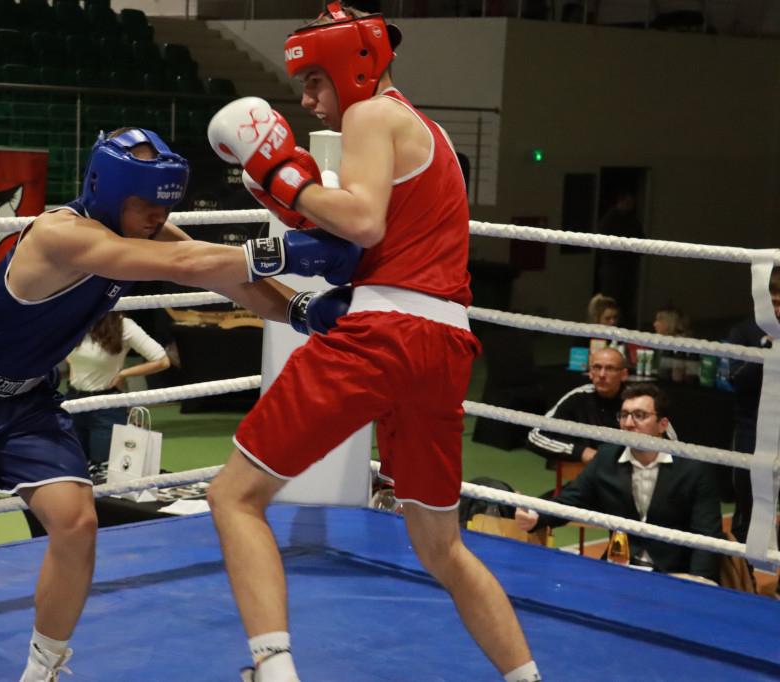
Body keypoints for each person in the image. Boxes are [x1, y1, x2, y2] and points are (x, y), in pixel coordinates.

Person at [0, 127, 362, 682]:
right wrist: (294, 253)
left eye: (165, 208)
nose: (159, 220)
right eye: (147, 207)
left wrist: (301, 311)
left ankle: (44, 667)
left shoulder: (147, 231)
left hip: (25, 398)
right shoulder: (63, 234)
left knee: (76, 522)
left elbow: (223, 277)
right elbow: (186, 264)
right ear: (106, 193)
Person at [205, 5, 541, 681]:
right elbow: (375, 237)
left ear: (352, 67)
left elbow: (360, 222)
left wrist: (284, 178)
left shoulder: (368, 116)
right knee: (441, 545)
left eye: (315, 83)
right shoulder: (429, 134)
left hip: (386, 334)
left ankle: (272, 671)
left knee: (233, 496)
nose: (308, 101)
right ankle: (527, 678)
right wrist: (290, 195)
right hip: (445, 345)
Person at [516, 384, 723, 582]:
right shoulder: (607, 457)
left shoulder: (694, 469)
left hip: (673, 576)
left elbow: (706, 535)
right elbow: (572, 498)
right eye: (624, 415)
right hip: (616, 570)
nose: (628, 423)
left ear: (663, 424)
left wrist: (698, 582)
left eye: (640, 415)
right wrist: (536, 516)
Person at [65, 311, 170, 479]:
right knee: (71, 468)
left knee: (104, 472)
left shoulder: (123, 325)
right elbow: (60, 350)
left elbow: (162, 360)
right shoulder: (75, 318)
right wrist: (75, 369)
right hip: (73, 402)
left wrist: (123, 374)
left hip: (106, 406)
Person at [726, 267, 779, 545]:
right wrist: (769, 349)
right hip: (752, 431)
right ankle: (742, 581)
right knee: (748, 508)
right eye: (774, 303)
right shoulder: (744, 331)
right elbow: (739, 381)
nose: (778, 310)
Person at [527, 346, 632, 468]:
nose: (602, 374)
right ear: (591, 372)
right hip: (585, 479)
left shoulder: (636, 402)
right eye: (597, 367)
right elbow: (535, 436)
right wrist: (581, 452)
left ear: (623, 374)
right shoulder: (578, 397)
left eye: (610, 368)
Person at [595, 190, 643, 328]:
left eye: (632, 203)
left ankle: (626, 337)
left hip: (629, 270)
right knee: (610, 304)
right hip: (612, 271)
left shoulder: (633, 220)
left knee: (627, 306)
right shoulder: (608, 220)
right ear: (619, 201)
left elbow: (643, 240)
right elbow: (601, 247)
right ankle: (606, 334)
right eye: (627, 202)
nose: (630, 206)